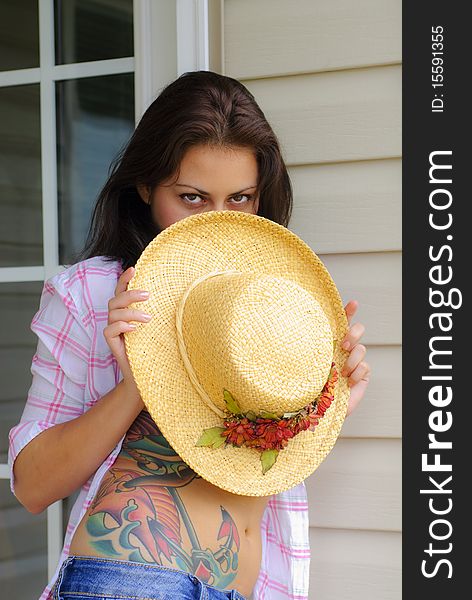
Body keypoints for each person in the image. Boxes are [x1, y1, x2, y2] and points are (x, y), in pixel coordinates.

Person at [8, 70, 371, 600]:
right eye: (193, 198)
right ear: (145, 186)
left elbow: (251, 460)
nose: (219, 220)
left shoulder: (279, 300)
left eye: (241, 198)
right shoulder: (94, 293)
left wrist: (325, 402)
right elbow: (32, 486)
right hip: (136, 580)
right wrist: (137, 382)